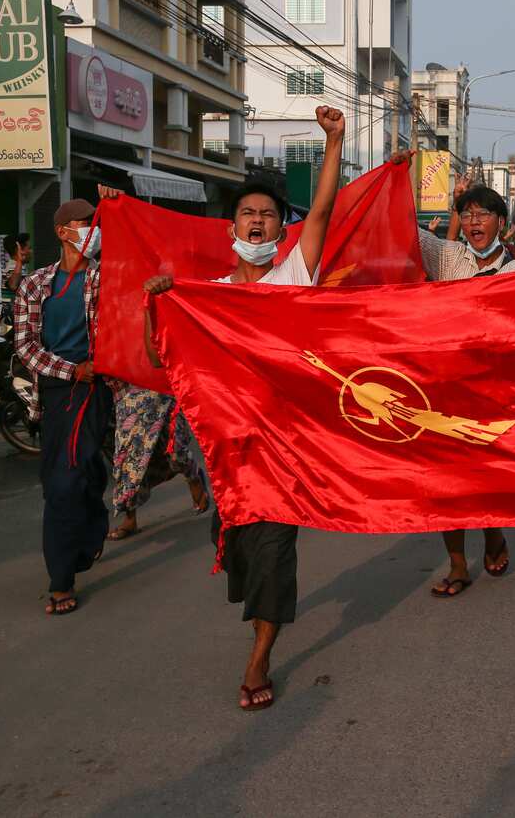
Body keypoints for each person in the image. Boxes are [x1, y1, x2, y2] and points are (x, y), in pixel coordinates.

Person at [143, 105, 346, 710]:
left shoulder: (295, 276)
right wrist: (161, 300)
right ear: (231, 227)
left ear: (281, 229)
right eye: (247, 215)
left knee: (274, 550)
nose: (258, 224)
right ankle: (246, 575)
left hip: (286, 445)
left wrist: (333, 141)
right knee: (238, 546)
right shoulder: (209, 297)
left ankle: (260, 658)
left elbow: (325, 211)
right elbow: (166, 359)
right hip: (225, 447)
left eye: (268, 216)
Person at [416, 179, 515, 597]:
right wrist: (395, 180)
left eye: (482, 214)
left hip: (495, 395)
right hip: (444, 390)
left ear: (501, 221)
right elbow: (403, 230)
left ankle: (494, 534)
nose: (473, 221)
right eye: (466, 214)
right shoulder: (448, 259)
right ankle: (458, 565)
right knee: (446, 482)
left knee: (486, 479)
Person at [14, 199, 110, 616]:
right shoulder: (36, 285)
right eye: (82, 224)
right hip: (58, 390)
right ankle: (60, 579)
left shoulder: (105, 278)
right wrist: (72, 370)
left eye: (95, 224)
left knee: (87, 471)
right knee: (62, 481)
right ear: (61, 232)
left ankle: (90, 532)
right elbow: (25, 346)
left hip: (100, 390)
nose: (91, 230)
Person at [107, 385, 210, 539]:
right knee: (128, 463)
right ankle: (130, 519)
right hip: (125, 398)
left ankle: (193, 477)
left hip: (159, 386)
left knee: (175, 450)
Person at [3, 233, 30, 301]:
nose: (31, 251)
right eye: (29, 248)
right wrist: (19, 260)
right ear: (19, 250)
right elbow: (13, 285)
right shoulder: (12, 267)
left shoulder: (17, 267)